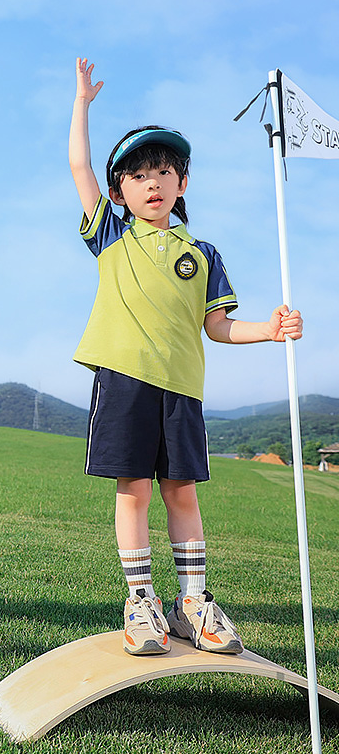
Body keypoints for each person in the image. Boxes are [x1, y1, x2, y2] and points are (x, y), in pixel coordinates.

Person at [69, 58, 303, 656]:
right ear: (120, 191)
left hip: (183, 389)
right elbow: (78, 165)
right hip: (124, 382)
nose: (153, 183)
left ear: (182, 184)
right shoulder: (112, 236)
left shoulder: (203, 253)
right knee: (134, 491)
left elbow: (219, 328)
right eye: (139, 175)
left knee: (181, 492)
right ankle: (140, 599)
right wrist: (83, 104)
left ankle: (193, 602)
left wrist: (272, 331)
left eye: (164, 172)